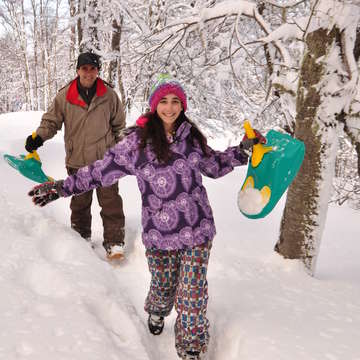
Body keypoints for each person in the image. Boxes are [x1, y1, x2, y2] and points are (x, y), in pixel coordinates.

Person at [28, 75, 265, 360]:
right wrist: (62, 188)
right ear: (154, 106)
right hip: (159, 234)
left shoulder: (192, 138)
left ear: (182, 105)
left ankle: (191, 348)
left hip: (197, 229)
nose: (170, 107)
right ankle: (157, 309)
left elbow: (214, 165)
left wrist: (243, 150)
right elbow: (99, 171)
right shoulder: (136, 145)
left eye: (176, 101)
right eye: (163, 101)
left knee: (192, 294)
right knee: (163, 287)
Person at [24, 52, 126, 259]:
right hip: (77, 161)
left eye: (93, 68)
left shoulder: (109, 95)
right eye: (84, 68)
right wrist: (39, 137)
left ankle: (115, 243)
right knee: (79, 205)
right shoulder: (65, 96)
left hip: (105, 162)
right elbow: (51, 121)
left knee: (111, 203)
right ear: (78, 70)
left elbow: (119, 127)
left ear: (98, 71)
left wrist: (120, 152)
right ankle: (81, 239)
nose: (88, 73)